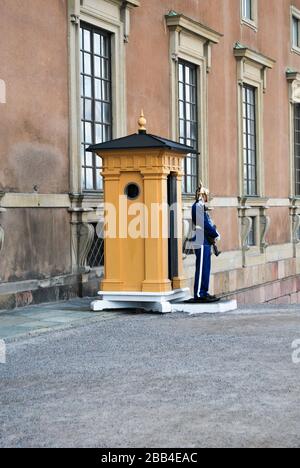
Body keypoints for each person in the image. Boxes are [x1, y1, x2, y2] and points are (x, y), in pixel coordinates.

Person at [191, 184, 220, 303]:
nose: (207, 197)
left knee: (206, 267)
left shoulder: (201, 207)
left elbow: (208, 222)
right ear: (202, 195)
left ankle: (204, 291)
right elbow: (204, 224)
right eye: (205, 195)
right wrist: (215, 233)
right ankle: (199, 293)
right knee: (202, 267)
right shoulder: (197, 206)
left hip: (205, 240)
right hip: (200, 238)